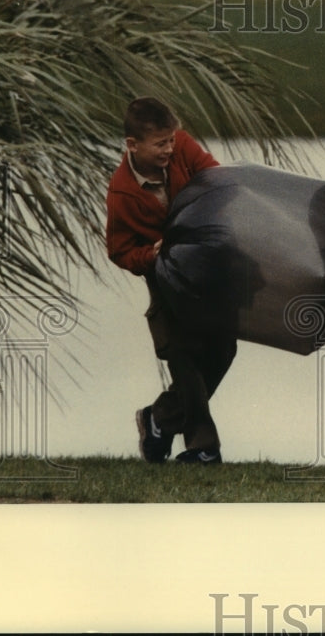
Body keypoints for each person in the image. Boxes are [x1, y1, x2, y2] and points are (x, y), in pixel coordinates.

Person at [105, 96, 235, 465]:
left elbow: (217, 181)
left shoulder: (183, 147)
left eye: (171, 140)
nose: (169, 149)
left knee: (224, 349)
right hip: (165, 280)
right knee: (183, 354)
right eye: (160, 144)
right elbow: (119, 251)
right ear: (133, 145)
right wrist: (151, 255)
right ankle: (204, 447)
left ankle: (158, 419)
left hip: (206, 268)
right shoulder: (121, 193)